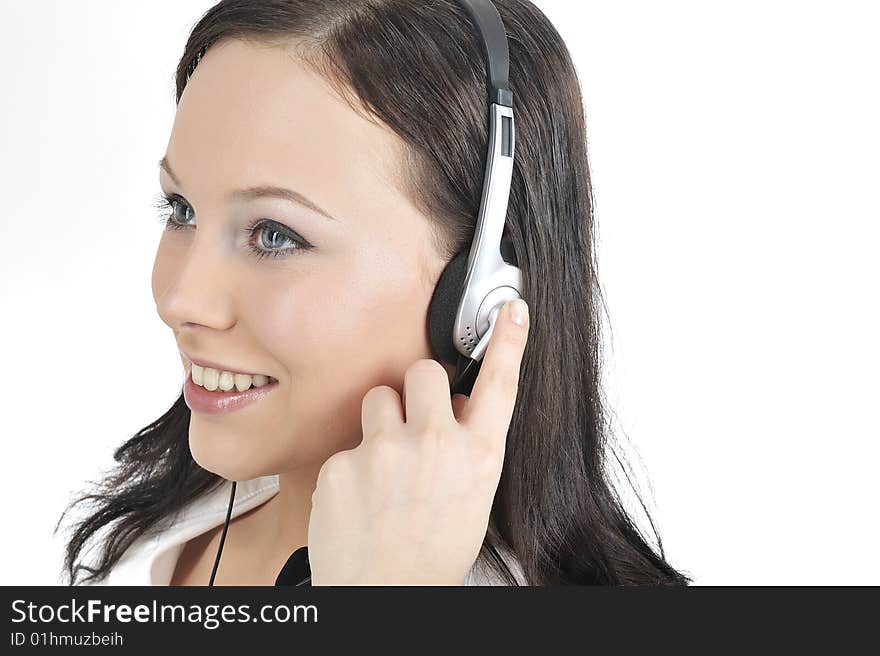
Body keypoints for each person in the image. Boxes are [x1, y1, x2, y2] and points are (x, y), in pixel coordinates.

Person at [56, 0, 691, 586]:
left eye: (275, 235)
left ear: (478, 297)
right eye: (182, 209)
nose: (180, 301)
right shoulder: (162, 540)